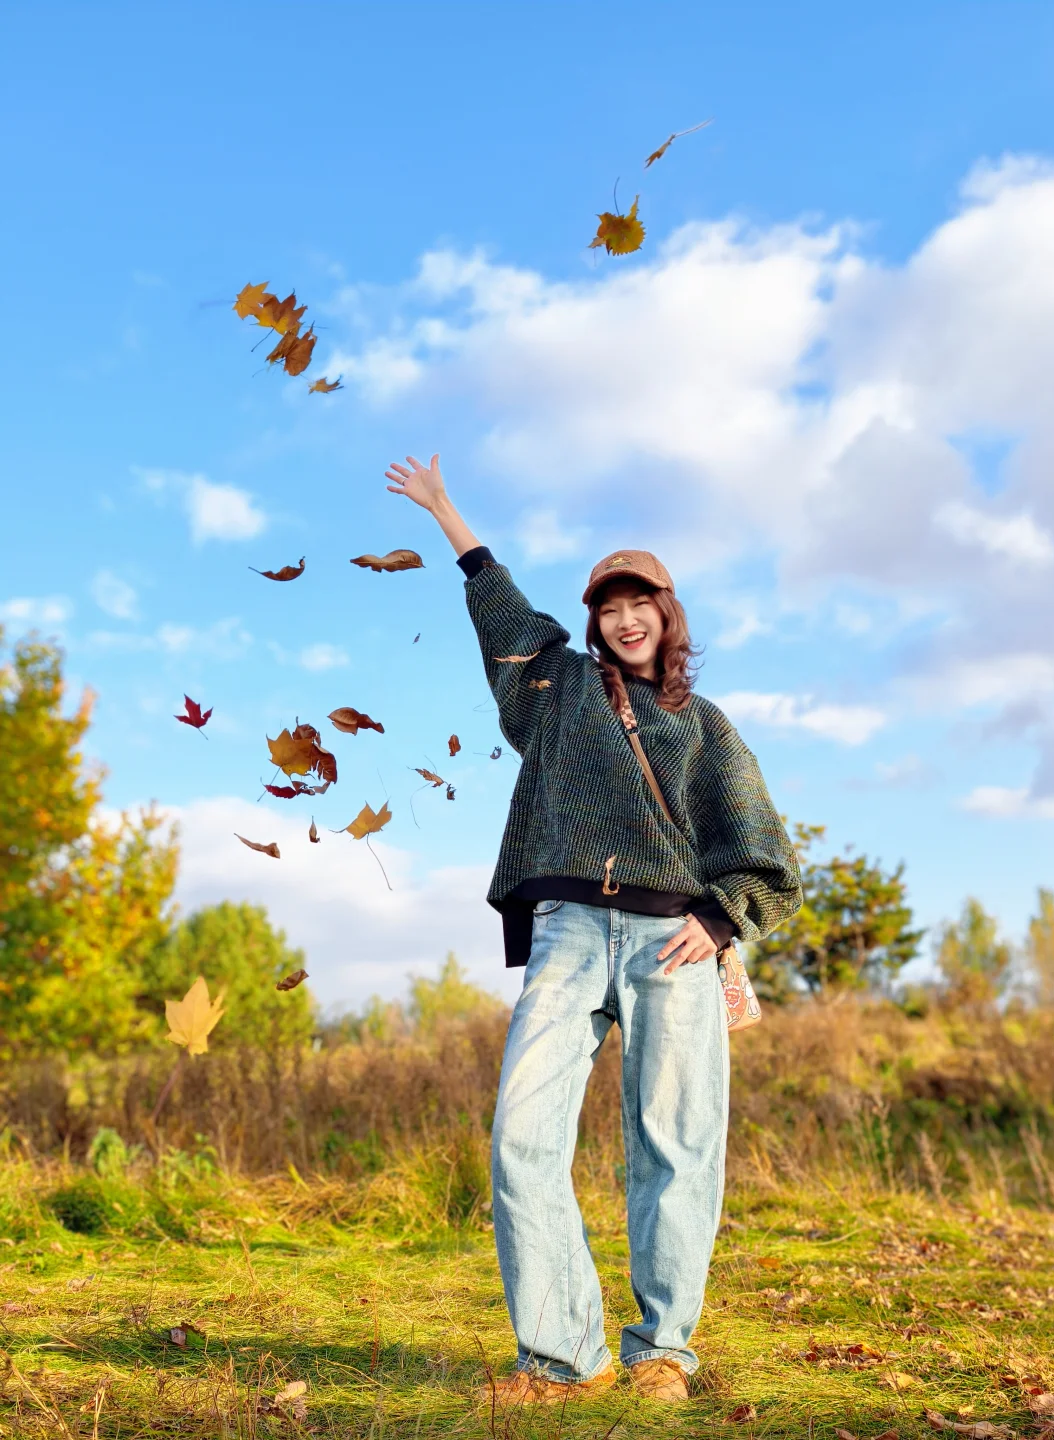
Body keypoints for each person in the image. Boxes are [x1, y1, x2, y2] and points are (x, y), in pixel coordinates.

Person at [384, 453, 802, 1405]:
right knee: (522, 1136)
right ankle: (564, 1357)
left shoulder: (703, 727)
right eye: (609, 605)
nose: (625, 618)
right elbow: (503, 614)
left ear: (667, 612)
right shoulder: (557, 690)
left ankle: (664, 1353)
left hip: (672, 942)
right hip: (571, 930)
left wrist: (721, 916)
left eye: (640, 601)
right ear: (595, 619)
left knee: (676, 1147)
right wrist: (449, 514)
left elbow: (762, 848)